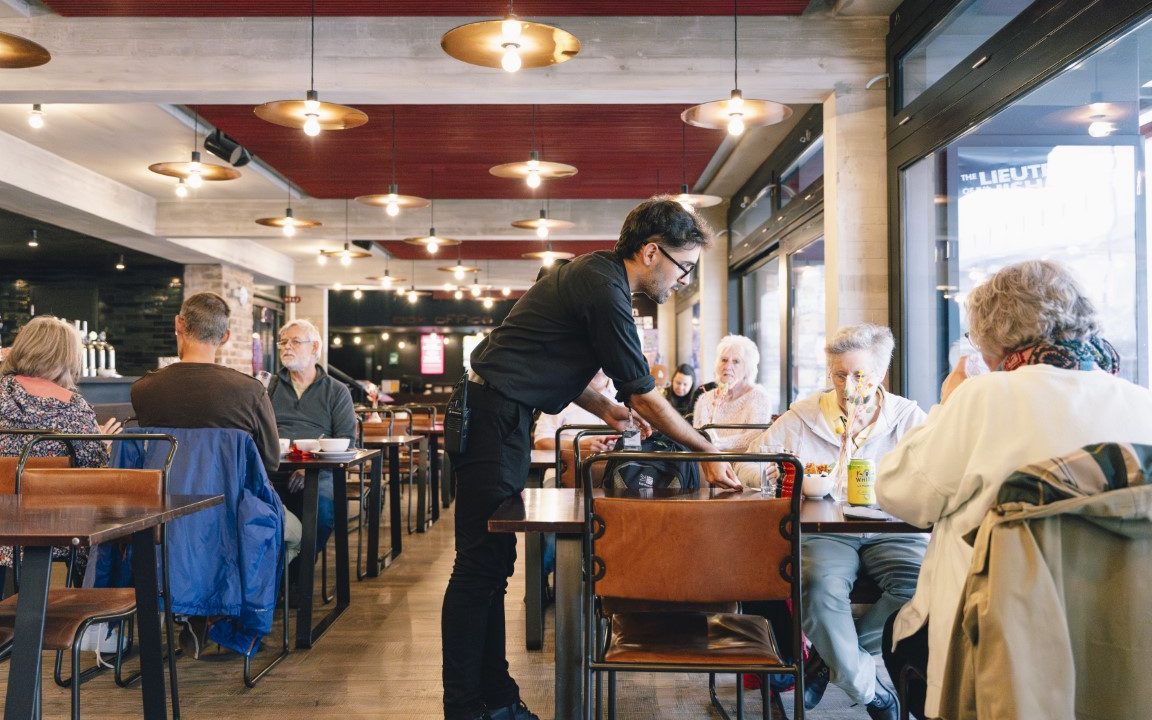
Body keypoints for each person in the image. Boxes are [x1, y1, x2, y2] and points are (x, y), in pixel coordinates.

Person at [442, 196, 741, 720]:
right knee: (478, 568)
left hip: (500, 414)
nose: (683, 281)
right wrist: (708, 448)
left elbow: (557, 362)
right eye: (684, 266)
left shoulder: (591, 275)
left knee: (492, 565)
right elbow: (645, 392)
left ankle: (496, 697)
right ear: (652, 252)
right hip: (491, 417)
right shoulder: (605, 289)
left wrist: (609, 411)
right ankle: (468, 708)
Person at [876, 260, 1152, 720]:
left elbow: (900, 494)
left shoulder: (984, 398)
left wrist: (947, 403)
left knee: (898, 637)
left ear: (993, 337)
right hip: (1122, 647)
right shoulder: (1142, 404)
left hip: (993, 643)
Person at [751, 324, 927, 720]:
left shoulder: (908, 418)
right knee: (817, 587)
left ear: (881, 374)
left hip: (893, 527)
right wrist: (773, 472)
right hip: (829, 531)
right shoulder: (806, 415)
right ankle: (870, 691)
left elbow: (937, 472)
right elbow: (750, 462)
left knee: (920, 586)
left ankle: (826, 663)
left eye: (858, 375)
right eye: (839, 374)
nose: (847, 385)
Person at [131, 292, 302, 654]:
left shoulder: (144, 390)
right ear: (224, 337)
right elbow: (270, 461)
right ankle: (228, 614)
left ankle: (191, 611)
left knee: (193, 541)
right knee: (294, 534)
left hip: (163, 523)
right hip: (232, 523)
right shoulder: (250, 391)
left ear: (179, 325)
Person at [0, 316, 121, 578]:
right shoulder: (73, 408)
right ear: (66, 358)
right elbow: (91, 476)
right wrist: (102, 444)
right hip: (55, 538)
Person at [267, 318, 356, 553]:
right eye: (283, 342)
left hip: (320, 473)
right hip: (274, 471)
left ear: (315, 347)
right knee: (250, 510)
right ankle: (276, 577)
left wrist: (310, 469)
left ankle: (296, 579)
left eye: (295, 342)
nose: (286, 347)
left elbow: (348, 440)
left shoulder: (337, 391)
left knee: (321, 514)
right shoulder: (269, 387)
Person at [693, 335, 773, 451]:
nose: (727, 366)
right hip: (707, 462)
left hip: (743, 463)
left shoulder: (758, 397)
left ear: (747, 368)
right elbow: (697, 438)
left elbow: (754, 438)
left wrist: (717, 445)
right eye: (724, 360)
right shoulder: (705, 399)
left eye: (736, 362)